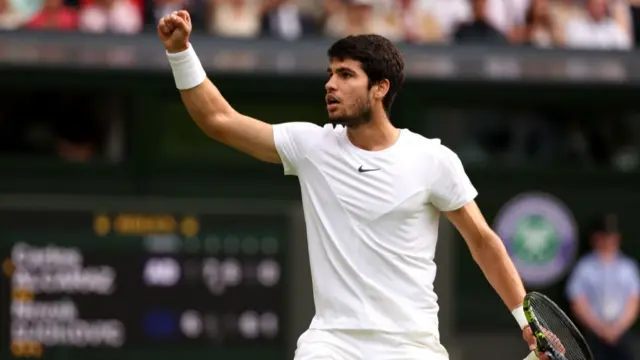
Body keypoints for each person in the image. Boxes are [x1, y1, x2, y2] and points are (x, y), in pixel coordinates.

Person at [157, 10, 544, 359]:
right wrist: (180, 53)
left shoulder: (433, 160)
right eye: (330, 73)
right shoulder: (311, 146)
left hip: (412, 346)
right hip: (332, 343)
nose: (330, 84)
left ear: (380, 88)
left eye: (345, 75)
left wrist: (526, 319)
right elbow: (218, 120)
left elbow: (483, 241)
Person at [566, 214, 639, 360]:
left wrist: (618, 328)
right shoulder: (584, 267)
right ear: (595, 238)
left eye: (611, 237)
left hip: (621, 334)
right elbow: (578, 302)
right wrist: (599, 328)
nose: (608, 241)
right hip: (593, 335)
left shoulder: (628, 267)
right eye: (604, 236)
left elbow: (634, 302)